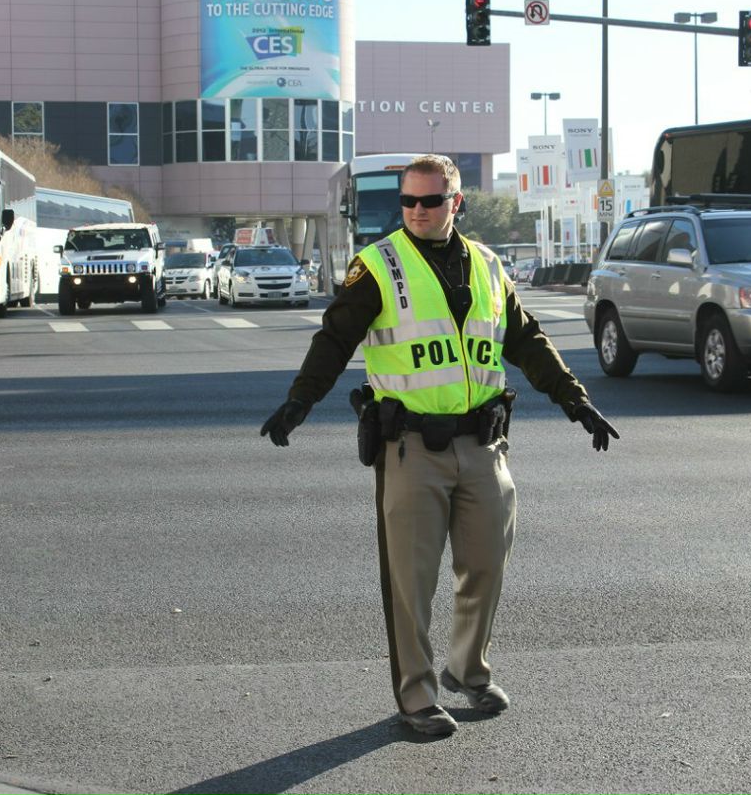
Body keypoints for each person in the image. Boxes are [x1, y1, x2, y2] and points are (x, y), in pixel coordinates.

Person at [260, 154, 620, 737]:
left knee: (486, 565)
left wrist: (576, 402)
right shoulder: (377, 267)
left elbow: (526, 340)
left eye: (431, 201)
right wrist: (300, 402)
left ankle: (466, 669)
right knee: (411, 579)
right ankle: (416, 696)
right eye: (408, 201)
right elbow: (334, 339)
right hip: (409, 449)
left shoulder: (487, 264)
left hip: (483, 445)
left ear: (457, 202)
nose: (418, 211)